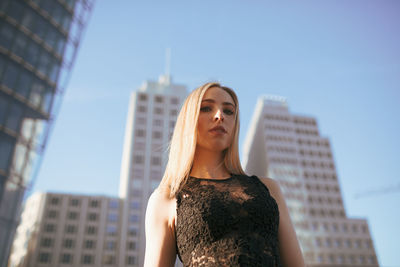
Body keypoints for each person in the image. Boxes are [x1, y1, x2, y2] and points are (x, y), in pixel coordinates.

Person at [144, 82, 304, 267]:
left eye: (229, 111)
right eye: (206, 108)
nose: (220, 116)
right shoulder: (166, 198)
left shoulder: (269, 189)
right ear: (188, 120)